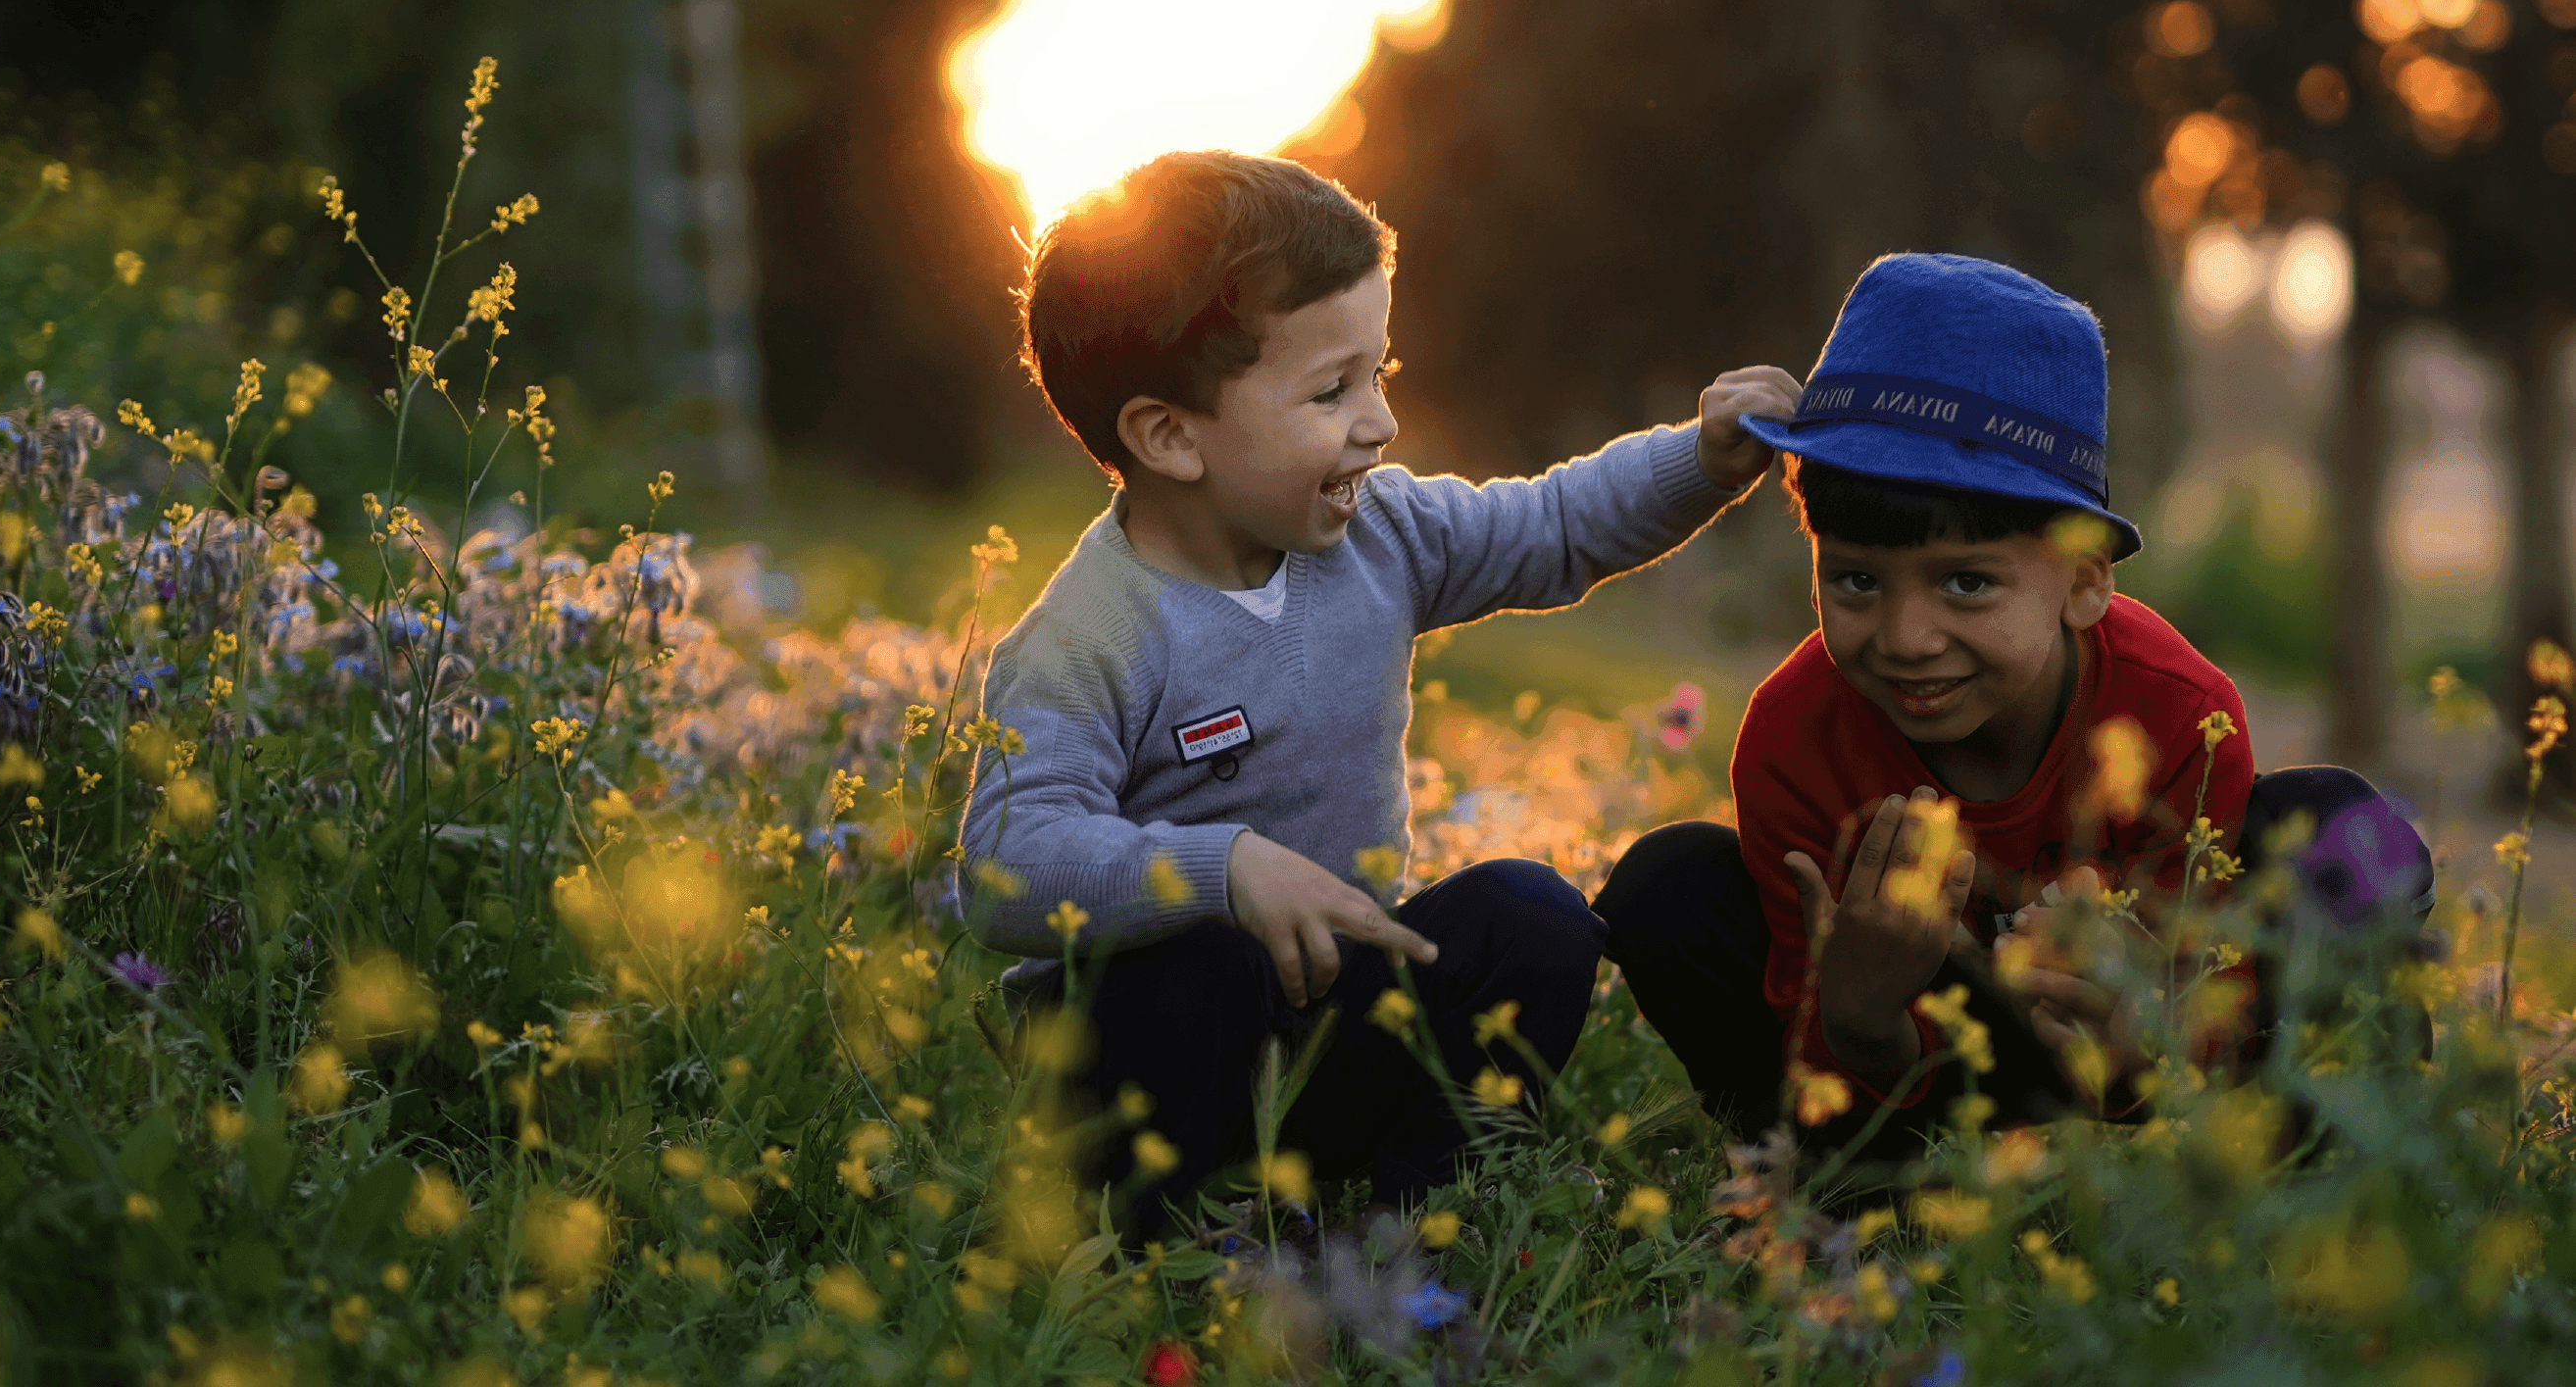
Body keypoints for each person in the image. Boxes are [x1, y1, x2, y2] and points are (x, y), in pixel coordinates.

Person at [955, 150, 1798, 1231]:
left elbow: (1551, 526)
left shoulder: (1381, 534)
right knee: (1196, 957)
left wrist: (1703, 459)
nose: (1379, 423)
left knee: (1531, 916)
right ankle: (1189, 1238)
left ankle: (1418, 1218)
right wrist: (1223, 868)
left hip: (1331, 1026)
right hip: (1152, 1068)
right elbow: (1005, 861)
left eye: (1379, 375)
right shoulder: (1089, 635)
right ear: (1169, 434)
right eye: (1331, 390)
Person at [1595, 253, 2432, 1149]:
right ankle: (1830, 1189)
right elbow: (1816, 1039)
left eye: (1964, 584)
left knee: (2342, 826)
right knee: (1668, 886)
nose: (1905, 637)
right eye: (1853, 581)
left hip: (2133, 1065)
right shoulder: (1792, 736)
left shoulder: (2176, 713)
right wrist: (1863, 1011)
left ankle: (2339, 1151)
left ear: (2081, 585)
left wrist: (2139, 1024)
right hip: (1902, 1078)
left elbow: (2200, 995)